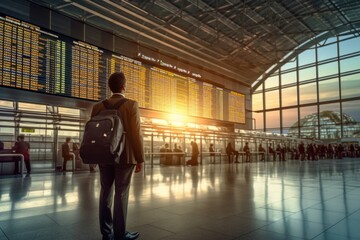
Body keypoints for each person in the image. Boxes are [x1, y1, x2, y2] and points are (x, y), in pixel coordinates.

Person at [90, 71, 144, 240]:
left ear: (110, 87)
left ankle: (106, 233)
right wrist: (140, 158)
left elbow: (93, 134)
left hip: (104, 155)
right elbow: (136, 134)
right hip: (125, 156)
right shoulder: (131, 105)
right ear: (124, 86)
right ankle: (120, 235)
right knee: (121, 193)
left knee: (105, 190)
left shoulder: (98, 106)